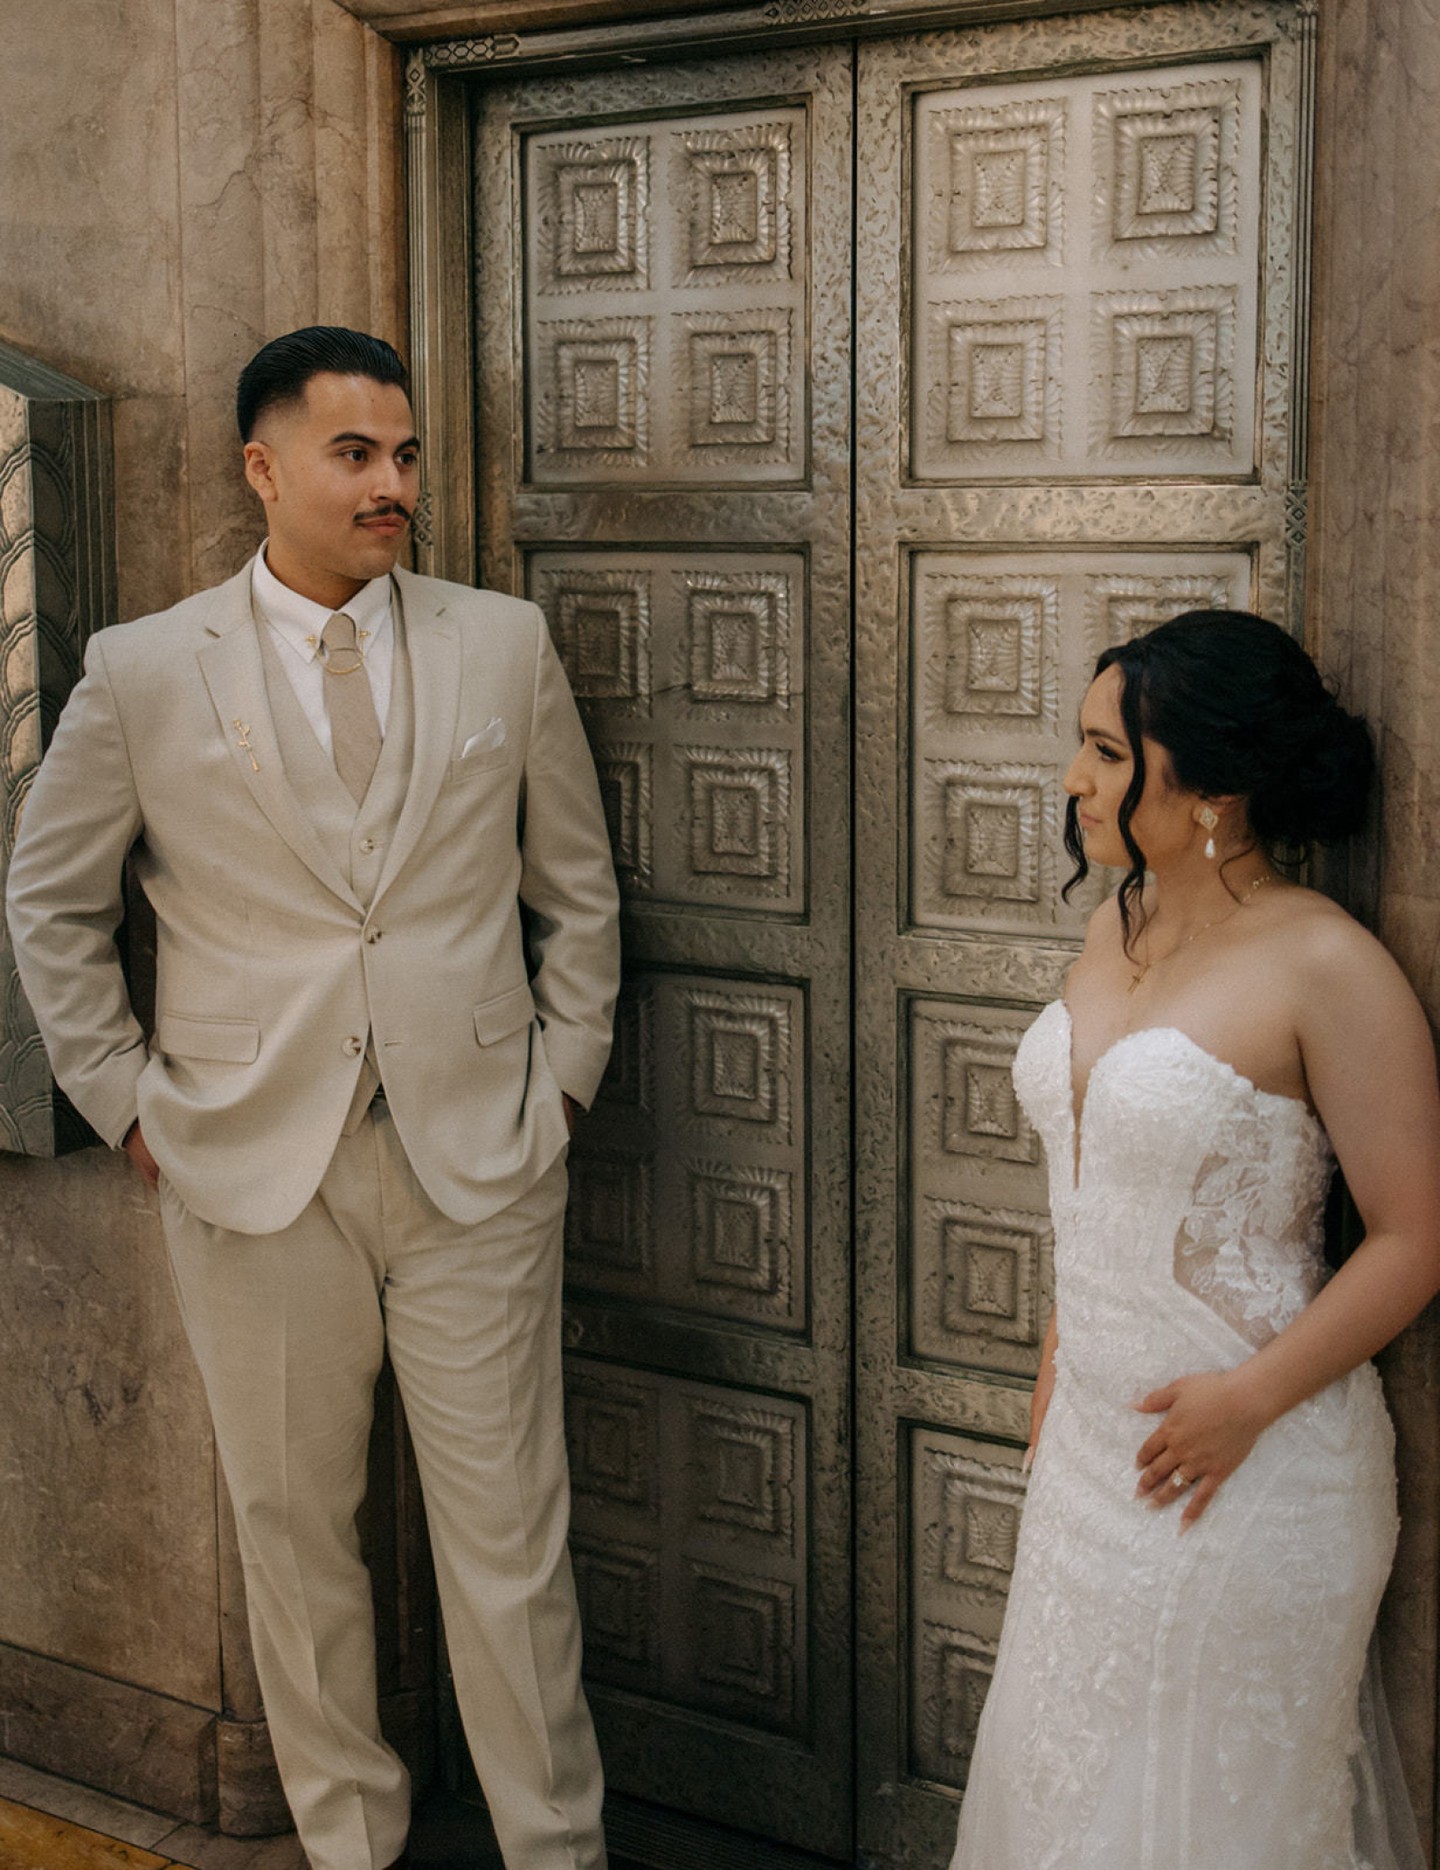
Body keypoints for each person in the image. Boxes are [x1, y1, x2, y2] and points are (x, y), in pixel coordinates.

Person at [6, 327, 620, 1870]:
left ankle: (557, 1850)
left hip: (480, 1157)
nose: (392, 481)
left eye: (403, 453)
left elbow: (578, 890)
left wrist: (561, 1086)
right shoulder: (145, 670)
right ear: (262, 468)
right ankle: (352, 1846)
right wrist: (126, 1100)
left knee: (513, 1550)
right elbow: (51, 901)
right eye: (355, 454)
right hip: (247, 1170)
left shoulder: (502, 644)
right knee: (294, 1542)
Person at [949, 610, 1440, 1870]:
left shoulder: (1328, 964)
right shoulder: (1110, 931)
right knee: (1060, 1804)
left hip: (1254, 1469)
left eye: (1109, 753)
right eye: (1083, 745)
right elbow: (1098, 1187)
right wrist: (1060, 1365)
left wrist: (1247, 1401)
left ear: (1213, 784)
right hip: (1089, 1462)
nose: (1075, 778)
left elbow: (1413, 1236)